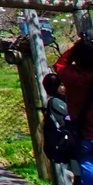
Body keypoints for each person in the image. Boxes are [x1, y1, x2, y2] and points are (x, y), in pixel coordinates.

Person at [55, 37, 93, 183]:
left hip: (84, 134)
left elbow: (60, 64)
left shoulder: (71, 76)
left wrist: (77, 45)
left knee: (88, 166)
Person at [43, 72, 79, 184]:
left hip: (71, 138)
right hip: (69, 140)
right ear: (53, 87)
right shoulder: (55, 101)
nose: (64, 88)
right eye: (61, 85)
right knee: (77, 171)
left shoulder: (60, 99)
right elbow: (73, 112)